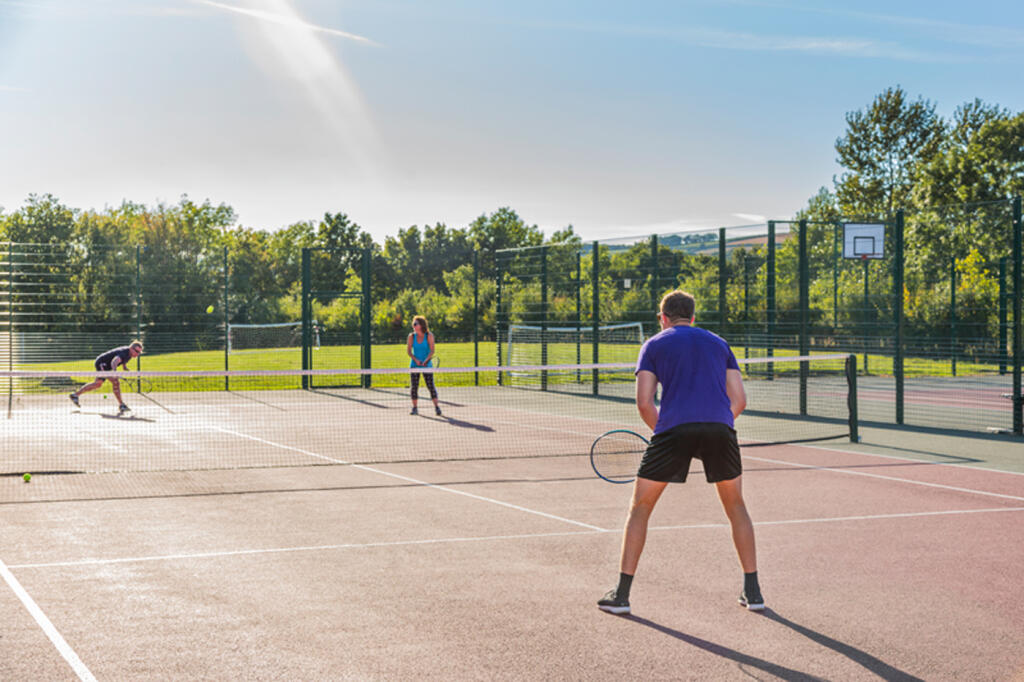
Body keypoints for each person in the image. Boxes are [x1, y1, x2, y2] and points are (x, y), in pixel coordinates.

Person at [598, 290, 763, 615]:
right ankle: (753, 592)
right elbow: (739, 400)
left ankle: (621, 595)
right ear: (693, 316)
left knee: (640, 508)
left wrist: (666, 432)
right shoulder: (719, 344)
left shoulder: (654, 345)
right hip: (720, 428)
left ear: (663, 318)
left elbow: (644, 402)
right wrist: (715, 427)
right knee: (736, 507)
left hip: (673, 429)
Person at [69, 341, 143, 415]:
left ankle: (75, 395)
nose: (137, 354)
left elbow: (123, 360)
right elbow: (114, 362)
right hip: (102, 363)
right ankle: (121, 405)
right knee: (115, 382)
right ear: (131, 348)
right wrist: (114, 373)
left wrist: (124, 367)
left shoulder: (129, 355)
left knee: (98, 384)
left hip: (106, 366)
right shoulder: (124, 353)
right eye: (136, 351)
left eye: (139, 352)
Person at [406, 315, 441, 416]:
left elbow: (432, 350)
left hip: (427, 365)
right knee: (414, 387)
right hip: (414, 365)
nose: (414, 325)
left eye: (415, 324)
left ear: (421, 325)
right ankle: (415, 408)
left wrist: (426, 361)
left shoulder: (429, 335)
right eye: (413, 324)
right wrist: (416, 360)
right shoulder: (411, 336)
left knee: (430, 386)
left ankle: (437, 407)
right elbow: (409, 351)